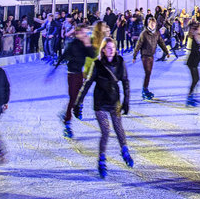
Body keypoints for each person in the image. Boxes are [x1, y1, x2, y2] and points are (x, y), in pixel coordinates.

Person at [75, 38, 133, 178]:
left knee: (119, 128)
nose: (111, 50)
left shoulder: (120, 62)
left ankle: (125, 150)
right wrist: (78, 102)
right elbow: (87, 83)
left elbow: (125, 82)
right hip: (100, 102)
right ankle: (101, 160)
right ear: (103, 49)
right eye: (108, 48)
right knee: (106, 131)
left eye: (113, 47)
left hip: (114, 100)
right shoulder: (97, 64)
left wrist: (126, 101)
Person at [50, 24, 95, 138]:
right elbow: (63, 56)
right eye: (83, 33)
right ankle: (67, 122)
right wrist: (53, 71)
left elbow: (92, 54)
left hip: (80, 73)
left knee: (78, 97)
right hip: (72, 74)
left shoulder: (84, 44)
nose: (85, 35)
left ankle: (69, 112)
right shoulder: (73, 44)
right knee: (73, 97)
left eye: (86, 33)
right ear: (78, 33)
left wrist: (88, 43)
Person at [133, 15, 168, 101]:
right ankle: (144, 90)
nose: (152, 25)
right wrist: (134, 55)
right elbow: (138, 45)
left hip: (152, 55)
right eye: (151, 24)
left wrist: (166, 51)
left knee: (149, 73)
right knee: (147, 72)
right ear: (148, 24)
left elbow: (161, 43)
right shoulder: (144, 33)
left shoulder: (156, 33)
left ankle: (146, 89)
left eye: (154, 24)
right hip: (144, 55)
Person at [185, 22, 200, 106]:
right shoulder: (195, 37)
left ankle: (192, 96)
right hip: (192, 62)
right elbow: (196, 51)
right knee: (195, 79)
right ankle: (190, 97)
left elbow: (199, 45)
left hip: (194, 62)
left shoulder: (197, 36)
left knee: (196, 79)